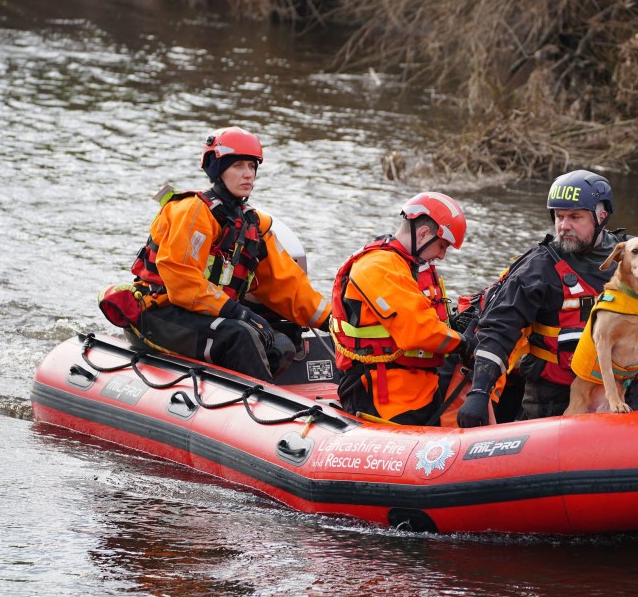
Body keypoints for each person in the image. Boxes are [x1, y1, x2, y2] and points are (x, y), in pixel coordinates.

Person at [457, 169, 638, 427]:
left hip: (624, 394)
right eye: (559, 217)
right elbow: (499, 329)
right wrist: (479, 392)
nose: (563, 226)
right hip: (552, 398)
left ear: (601, 216)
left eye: (574, 217)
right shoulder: (538, 268)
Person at [99, 126, 331, 382]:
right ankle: (259, 407)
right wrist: (238, 312)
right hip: (161, 311)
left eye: (252, 167)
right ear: (218, 170)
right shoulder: (193, 211)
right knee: (240, 335)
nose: (248, 174)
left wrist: (330, 321)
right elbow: (182, 281)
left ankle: (247, 395)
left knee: (283, 341)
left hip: (205, 312)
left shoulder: (253, 223)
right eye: (238, 166)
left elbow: (287, 284)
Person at [330, 192, 476, 425]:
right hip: (384, 392)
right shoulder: (378, 266)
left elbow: (431, 320)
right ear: (423, 234)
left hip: (419, 385)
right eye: (442, 246)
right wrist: (464, 343)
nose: (442, 255)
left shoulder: (412, 267)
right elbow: (418, 330)